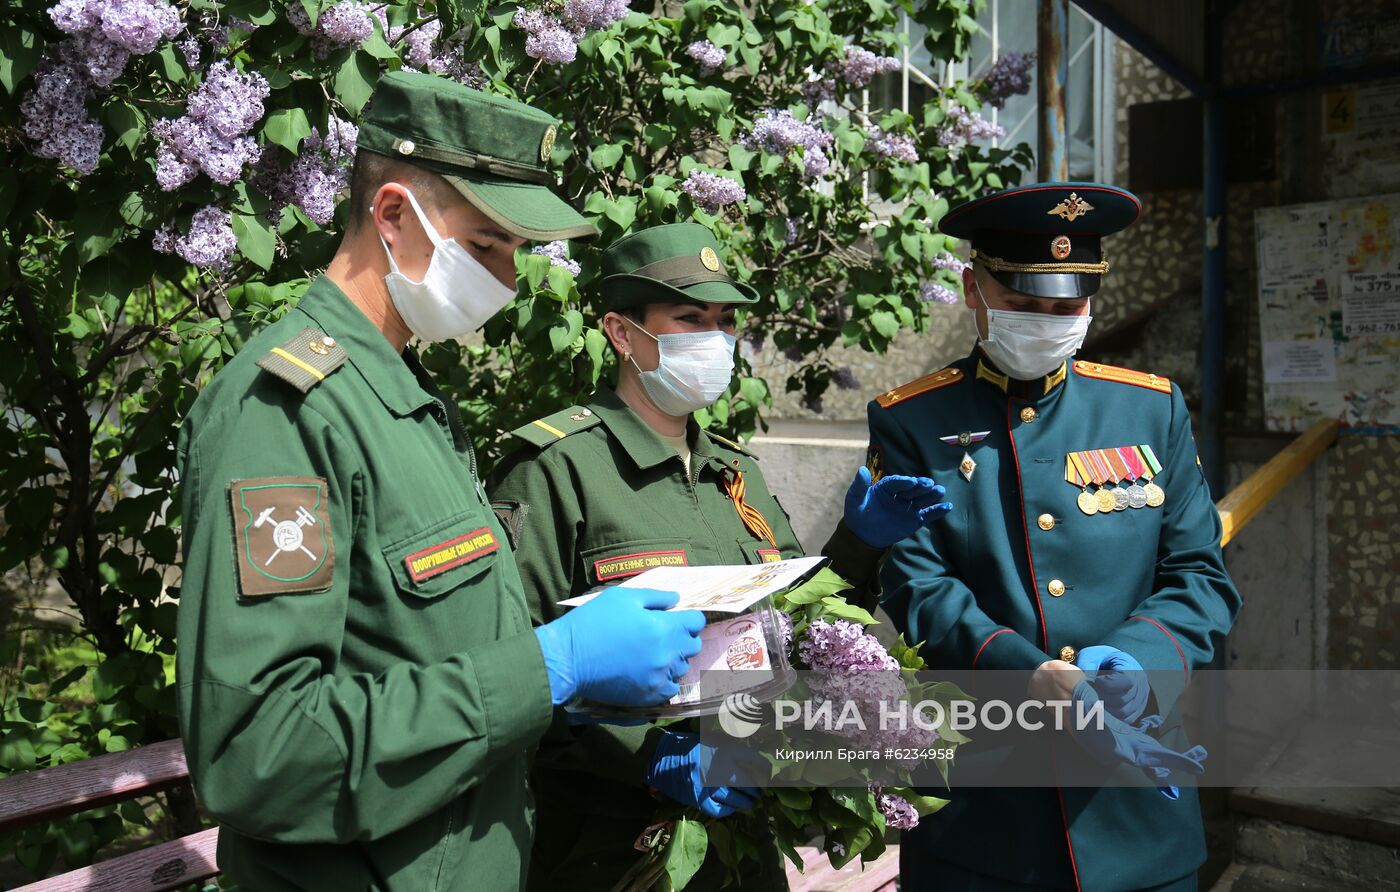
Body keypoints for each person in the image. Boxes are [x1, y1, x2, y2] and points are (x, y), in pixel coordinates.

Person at [176, 72, 710, 891]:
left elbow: (425, 657)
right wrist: (550, 664)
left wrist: (588, 682)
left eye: (515, 253)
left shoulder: (405, 403)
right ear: (392, 214)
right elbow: (261, 755)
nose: (507, 277)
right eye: (486, 245)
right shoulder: (284, 414)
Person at [488, 222, 953, 890]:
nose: (715, 339)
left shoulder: (735, 471)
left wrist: (859, 544)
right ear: (622, 333)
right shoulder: (556, 469)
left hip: (745, 836)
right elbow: (515, 668)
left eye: (725, 321)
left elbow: (798, 632)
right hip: (611, 850)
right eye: (689, 318)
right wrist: (645, 757)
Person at [867, 183, 1242, 891]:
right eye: (1024, 304)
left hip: (1135, 811)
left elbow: (1199, 574)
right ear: (974, 287)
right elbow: (917, 581)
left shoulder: (1150, 408)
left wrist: (1137, 664)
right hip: (983, 816)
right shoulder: (911, 421)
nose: (1047, 323)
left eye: (1067, 308)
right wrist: (1025, 671)